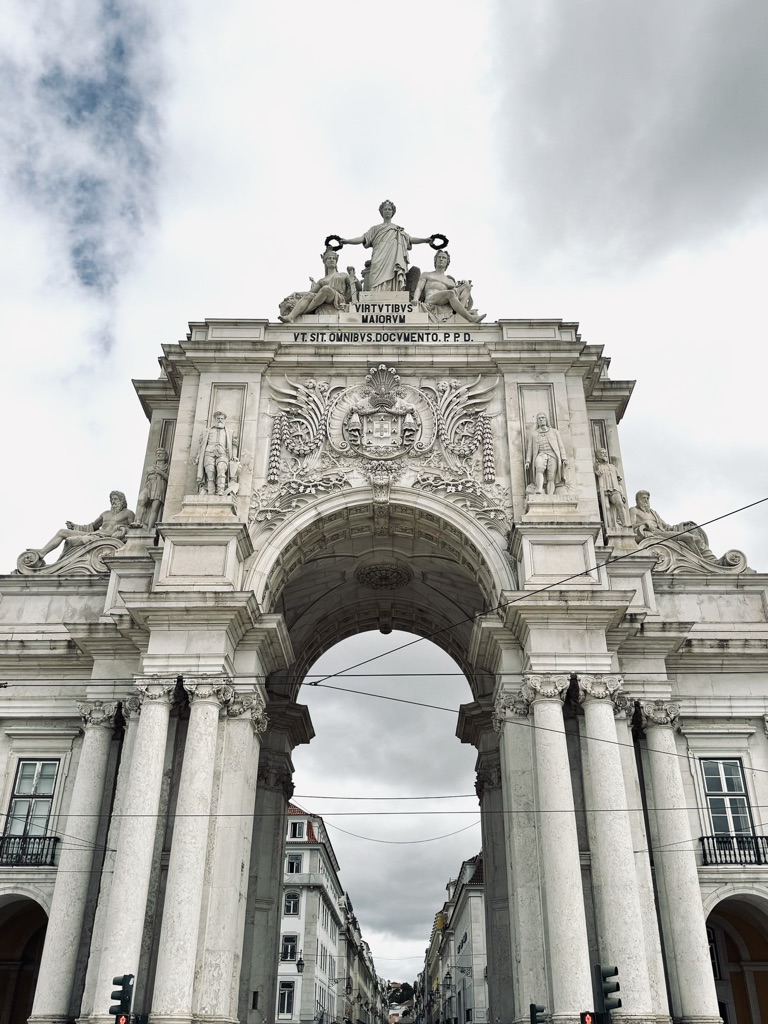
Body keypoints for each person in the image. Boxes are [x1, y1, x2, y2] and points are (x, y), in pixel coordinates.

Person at [340, 200, 432, 291]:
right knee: (374, 277)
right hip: (378, 256)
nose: (387, 211)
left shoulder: (398, 229)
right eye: (385, 209)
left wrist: (425, 240)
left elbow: (410, 239)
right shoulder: (375, 229)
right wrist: (347, 241)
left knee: (393, 275)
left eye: (389, 209)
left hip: (393, 257)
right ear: (381, 212)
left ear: (392, 212)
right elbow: (362, 238)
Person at [28, 491, 135, 561]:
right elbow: (92, 526)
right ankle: (42, 552)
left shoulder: (128, 513)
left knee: (69, 542)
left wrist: (123, 528)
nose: (113, 502)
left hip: (105, 538)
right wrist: (75, 526)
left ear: (122, 500)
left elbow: (134, 529)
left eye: (115, 499)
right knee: (62, 532)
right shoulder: (105, 513)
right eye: (111, 499)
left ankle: (61, 563)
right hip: (94, 534)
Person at [630, 490, 714, 558]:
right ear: (637, 500)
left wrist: (683, 525)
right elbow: (630, 527)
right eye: (643, 498)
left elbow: (667, 527)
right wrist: (644, 522)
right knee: (688, 537)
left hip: (662, 533)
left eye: (647, 498)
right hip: (654, 534)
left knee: (695, 537)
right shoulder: (634, 510)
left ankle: (711, 559)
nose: (646, 500)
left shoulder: (653, 512)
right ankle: (701, 561)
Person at [278, 249, 354, 323]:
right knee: (309, 295)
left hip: (338, 298)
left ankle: (306, 311)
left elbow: (358, 288)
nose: (332, 260)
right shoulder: (322, 280)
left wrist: (352, 275)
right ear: (325, 262)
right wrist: (297, 293)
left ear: (336, 261)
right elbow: (310, 293)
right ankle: (291, 317)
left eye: (334, 258)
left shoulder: (343, 275)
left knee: (325, 289)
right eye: (329, 258)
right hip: (325, 297)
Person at [412, 251, 485, 323]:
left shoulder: (450, 281)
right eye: (439, 257)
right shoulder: (426, 274)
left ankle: (459, 313)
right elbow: (419, 288)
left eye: (444, 258)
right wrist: (415, 298)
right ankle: (470, 318)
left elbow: (457, 295)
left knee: (466, 286)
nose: (441, 259)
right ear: (435, 260)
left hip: (443, 300)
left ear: (447, 262)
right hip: (430, 300)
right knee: (450, 293)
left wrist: (464, 284)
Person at [525, 413, 568, 495]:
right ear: (537, 421)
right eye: (539, 418)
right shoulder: (534, 433)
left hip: (553, 455)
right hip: (541, 454)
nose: (541, 419)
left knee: (551, 477)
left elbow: (560, 445)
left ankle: (550, 494)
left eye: (543, 418)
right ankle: (539, 489)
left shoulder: (554, 432)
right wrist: (528, 461)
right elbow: (529, 449)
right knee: (539, 468)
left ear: (546, 419)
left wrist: (564, 458)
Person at [197, 411, 235, 496]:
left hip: (222, 453)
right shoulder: (207, 431)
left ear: (224, 420)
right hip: (209, 453)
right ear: (215, 419)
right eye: (218, 418)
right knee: (210, 472)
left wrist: (234, 456)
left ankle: (221, 491)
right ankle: (211, 492)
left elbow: (234, 445)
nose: (220, 420)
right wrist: (198, 456)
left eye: (222, 418)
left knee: (221, 469)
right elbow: (202, 445)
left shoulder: (229, 432)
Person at [133, 448, 170, 529]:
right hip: (149, 485)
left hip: (160, 485)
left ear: (166, 457)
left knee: (154, 508)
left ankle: (150, 528)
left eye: (161, 453)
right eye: (157, 453)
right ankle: (138, 521)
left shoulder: (168, 467)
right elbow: (145, 480)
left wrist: (160, 472)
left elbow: (170, 480)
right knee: (141, 499)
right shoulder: (149, 468)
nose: (158, 454)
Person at [594, 448, 630, 528]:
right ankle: (609, 526)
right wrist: (596, 473)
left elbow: (619, 481)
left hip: (614, 488)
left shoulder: (612, 467)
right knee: (606, 507)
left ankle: (625, 524)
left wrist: (622, 494)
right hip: (602, 489)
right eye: (602, 453)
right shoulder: (597, 466)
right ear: (597, 456)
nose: (604, 454)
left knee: (620, 504)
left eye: (605, 452)